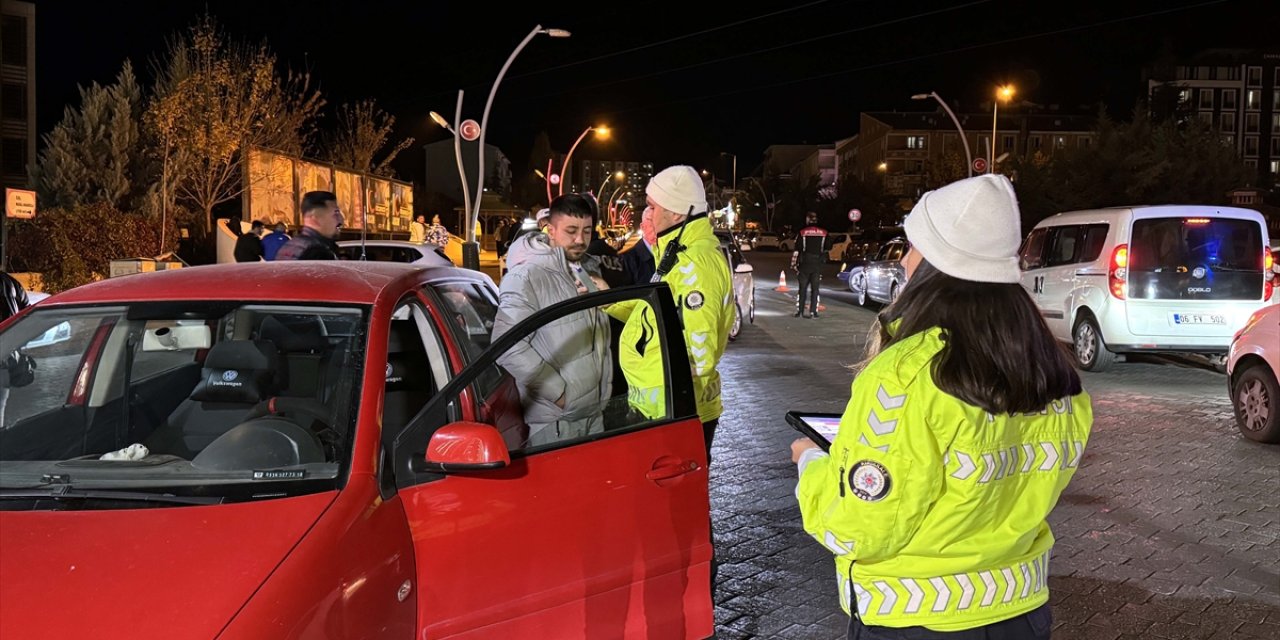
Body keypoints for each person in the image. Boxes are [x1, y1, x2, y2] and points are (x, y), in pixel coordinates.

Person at [791, 174, 1092, 639]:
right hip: (1021, 613)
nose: (906, 261)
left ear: (934, 261)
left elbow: (857, 530)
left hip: (918, 618)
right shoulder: (1049, 366)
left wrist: (811, 463)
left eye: (912, 248)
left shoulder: (905, 376)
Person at [608, 165, 733, 461]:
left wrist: (674, 419)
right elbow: (655, 314)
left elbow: (697, 355)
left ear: (677, 214)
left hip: (670, 416)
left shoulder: (694, 266)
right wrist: (606, 301)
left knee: (670, 504)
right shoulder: (677, 254)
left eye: (652, 207)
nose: (646, 214)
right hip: (659, 410)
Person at [492, 193, 613, 446]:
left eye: (587, 231)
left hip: (594, 414)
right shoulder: (526, 276)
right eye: (571, 231)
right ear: (550, 230)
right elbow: (507, 346)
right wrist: (560, 395)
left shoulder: (587, 269)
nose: (580, 240)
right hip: (556, 423)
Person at [275, 191, 343, 261]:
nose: (341, 219)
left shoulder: (289, 246)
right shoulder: (318, 253)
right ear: (315, 217)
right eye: (336, 213)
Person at [792, 211, 828, 318]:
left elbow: (797, 247)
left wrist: (794, 263)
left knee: (802, 289)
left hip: (804, 263)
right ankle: (813, 312)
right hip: (817, 264)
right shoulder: (824, 233)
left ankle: (800, 311)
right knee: (815, 289)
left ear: (808, 220)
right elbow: (828, 246)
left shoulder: (803, 232)